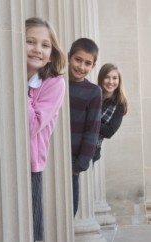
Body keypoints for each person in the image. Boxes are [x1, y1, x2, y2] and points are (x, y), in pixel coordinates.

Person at [26, 17, 66, 241]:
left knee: (33, 228)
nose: (37, 49)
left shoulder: (54, 83)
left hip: (31, 165)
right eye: (30, 41)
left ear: (52, 52)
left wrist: (20, 84)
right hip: (0, 160)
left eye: (45, 45)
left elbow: (32, 125)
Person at [68, 38, 102, 217]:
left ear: (93, 66)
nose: (81, 66)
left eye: (87, 63)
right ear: (69, 57)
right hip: (47, 157)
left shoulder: (94, 92)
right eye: (78, 59)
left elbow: (92, 129)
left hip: (73, 162)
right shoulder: (57, 83)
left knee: (69, 212)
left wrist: (80, 164)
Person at [92, 63, 128, 162]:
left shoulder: (120, 104)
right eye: (107, 77)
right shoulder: (92, 94)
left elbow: (109, 132)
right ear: (101, 78)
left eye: (115, 78)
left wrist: (90, 120)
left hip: (93, 151)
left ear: (119, 80)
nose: (111, 81)